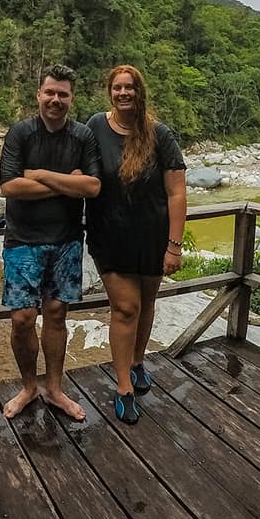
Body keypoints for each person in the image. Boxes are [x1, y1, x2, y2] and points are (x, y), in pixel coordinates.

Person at [0, 64, 102, 420]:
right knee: (23, 318)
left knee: (57, 315)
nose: (55, 100)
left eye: (63, 94)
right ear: (38, 95)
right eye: (50, 93)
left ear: (72, 98)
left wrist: (39, 175)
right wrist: (65, 183)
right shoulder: (21, 133)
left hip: (67, 240)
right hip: (22, 240)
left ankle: (55, 389)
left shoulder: (82, 136)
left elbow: (92, 187)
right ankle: (29, 387)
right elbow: (10, 187)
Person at [86, 64, 187, 425]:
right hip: (109, 236)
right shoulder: (96, 126)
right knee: (126, 307)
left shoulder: (159, 134)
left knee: (146, 304)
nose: (123, 93)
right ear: (109, 91)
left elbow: (176, 192)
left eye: (130, 87)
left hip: (152, 236)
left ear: (140, 91)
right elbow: (80, 168)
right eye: (117, 87)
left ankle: (138, 360)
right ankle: (124, 385)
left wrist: (174, 245)